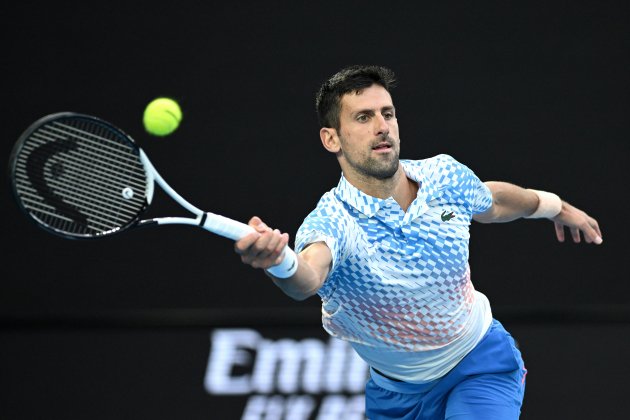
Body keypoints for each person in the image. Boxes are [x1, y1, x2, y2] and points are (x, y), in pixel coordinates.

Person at [234, 65, 602, 419]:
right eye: (363, 118)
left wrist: (555, 206)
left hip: (479, 363)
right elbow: (307, 278)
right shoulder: (333, 221)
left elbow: (495, 201)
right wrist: (278, 261)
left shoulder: (443, 176)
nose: (382, 128)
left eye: (388, 114)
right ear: (332, 138)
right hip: (396, 398)